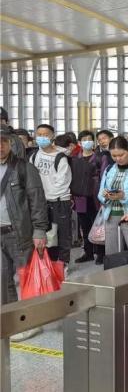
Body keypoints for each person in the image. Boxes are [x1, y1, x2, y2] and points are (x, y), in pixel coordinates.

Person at [0, 126, 49, 340]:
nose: (0, 146)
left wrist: (39, 230)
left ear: (10, 143)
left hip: (19, 234)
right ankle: (11, 321)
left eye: (3, 141)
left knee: (27, 280)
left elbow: (37, 201)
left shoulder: (24, 168)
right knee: (2, 281)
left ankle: (31, 322)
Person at [30, 124, 73, 270]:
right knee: (47, 234)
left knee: (62, 234)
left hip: (59, 202)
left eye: (45, 134)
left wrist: (46, 196)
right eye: (39, 134)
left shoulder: (61, 157)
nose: (42, 137)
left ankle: (63, 264)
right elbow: (31, 178)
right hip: (42, 202)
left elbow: (62, 182)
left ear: (52, 136)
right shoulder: (34, 155)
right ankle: (49, 263)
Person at [73, 131, 105, 264]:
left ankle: (101, 253)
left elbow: (104, 176)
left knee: (98, 226)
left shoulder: (100, 158)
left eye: (90, 139)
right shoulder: (75, 158)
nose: (87, 141)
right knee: (85, 226)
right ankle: (88, 252)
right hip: (80, 197)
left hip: (95, 196)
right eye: (84, 139)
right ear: (79, 143)